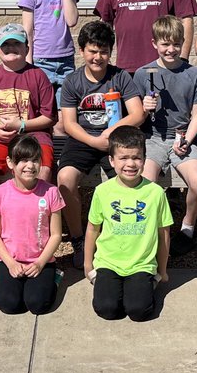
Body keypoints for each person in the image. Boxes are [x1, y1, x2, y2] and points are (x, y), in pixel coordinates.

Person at [56, 20, 146, 266]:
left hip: (116, 139)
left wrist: (111, 131)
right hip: (83, 139)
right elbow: (69, 123)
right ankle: (78, 238)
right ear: (82, 50)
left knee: (131, 181)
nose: (98, 57)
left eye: (103, 51)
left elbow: (137, 114)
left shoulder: (120, 77)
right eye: (92, 51)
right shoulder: (73, 81)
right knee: (65, 179)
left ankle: (124, 236)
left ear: (110, 52)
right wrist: (94, 141)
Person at [135, 16, 197, 258]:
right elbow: (135, 118)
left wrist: (187, 139)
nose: (171, 49)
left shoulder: (194, 74)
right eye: (165, 44)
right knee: (146, 184)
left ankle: (187, 227)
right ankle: (151, 231)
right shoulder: (143, 74)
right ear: (154, 43)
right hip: (152, 138)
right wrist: (144, 109)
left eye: (176, 44)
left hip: (182, 136)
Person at [83, 125, 171, 322]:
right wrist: (88, 264)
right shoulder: (102, 191)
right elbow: (92, 228)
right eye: (123, 158)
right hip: (109, 262)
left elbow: (163, 232)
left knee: (138, 311)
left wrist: (162, 271)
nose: (130, 164)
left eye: (137, 157)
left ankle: (147, 284)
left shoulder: (155, 193)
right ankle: (107, 283)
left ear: (144, 159)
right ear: (111, 160)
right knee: (107, 309)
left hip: (141, 263)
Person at [0, 24, 57, 207]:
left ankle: (37, 219)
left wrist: (22, 125)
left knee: (41, 169)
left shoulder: (38, 76)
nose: (11, 48)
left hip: (34, 136)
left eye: (17, 44)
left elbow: (49, 117)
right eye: (6, 45)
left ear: (27, 48)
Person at [0, 135, 65, 316]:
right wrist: (10, 263)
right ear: (10, 162)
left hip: (41, 260)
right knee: (9, 304)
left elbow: (56, 235)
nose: (30, 166)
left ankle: (55, 278)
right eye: (23, 160)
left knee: (38, 305)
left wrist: (40, 263)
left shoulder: (51, 192)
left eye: (35, 160)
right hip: (10, 260)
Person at [19, 0, 79, 100]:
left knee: (64, 111)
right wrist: (28, 60)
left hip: (65, 59)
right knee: (44, 108)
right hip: (41, 59)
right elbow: (28, 31)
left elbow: (72, 20)